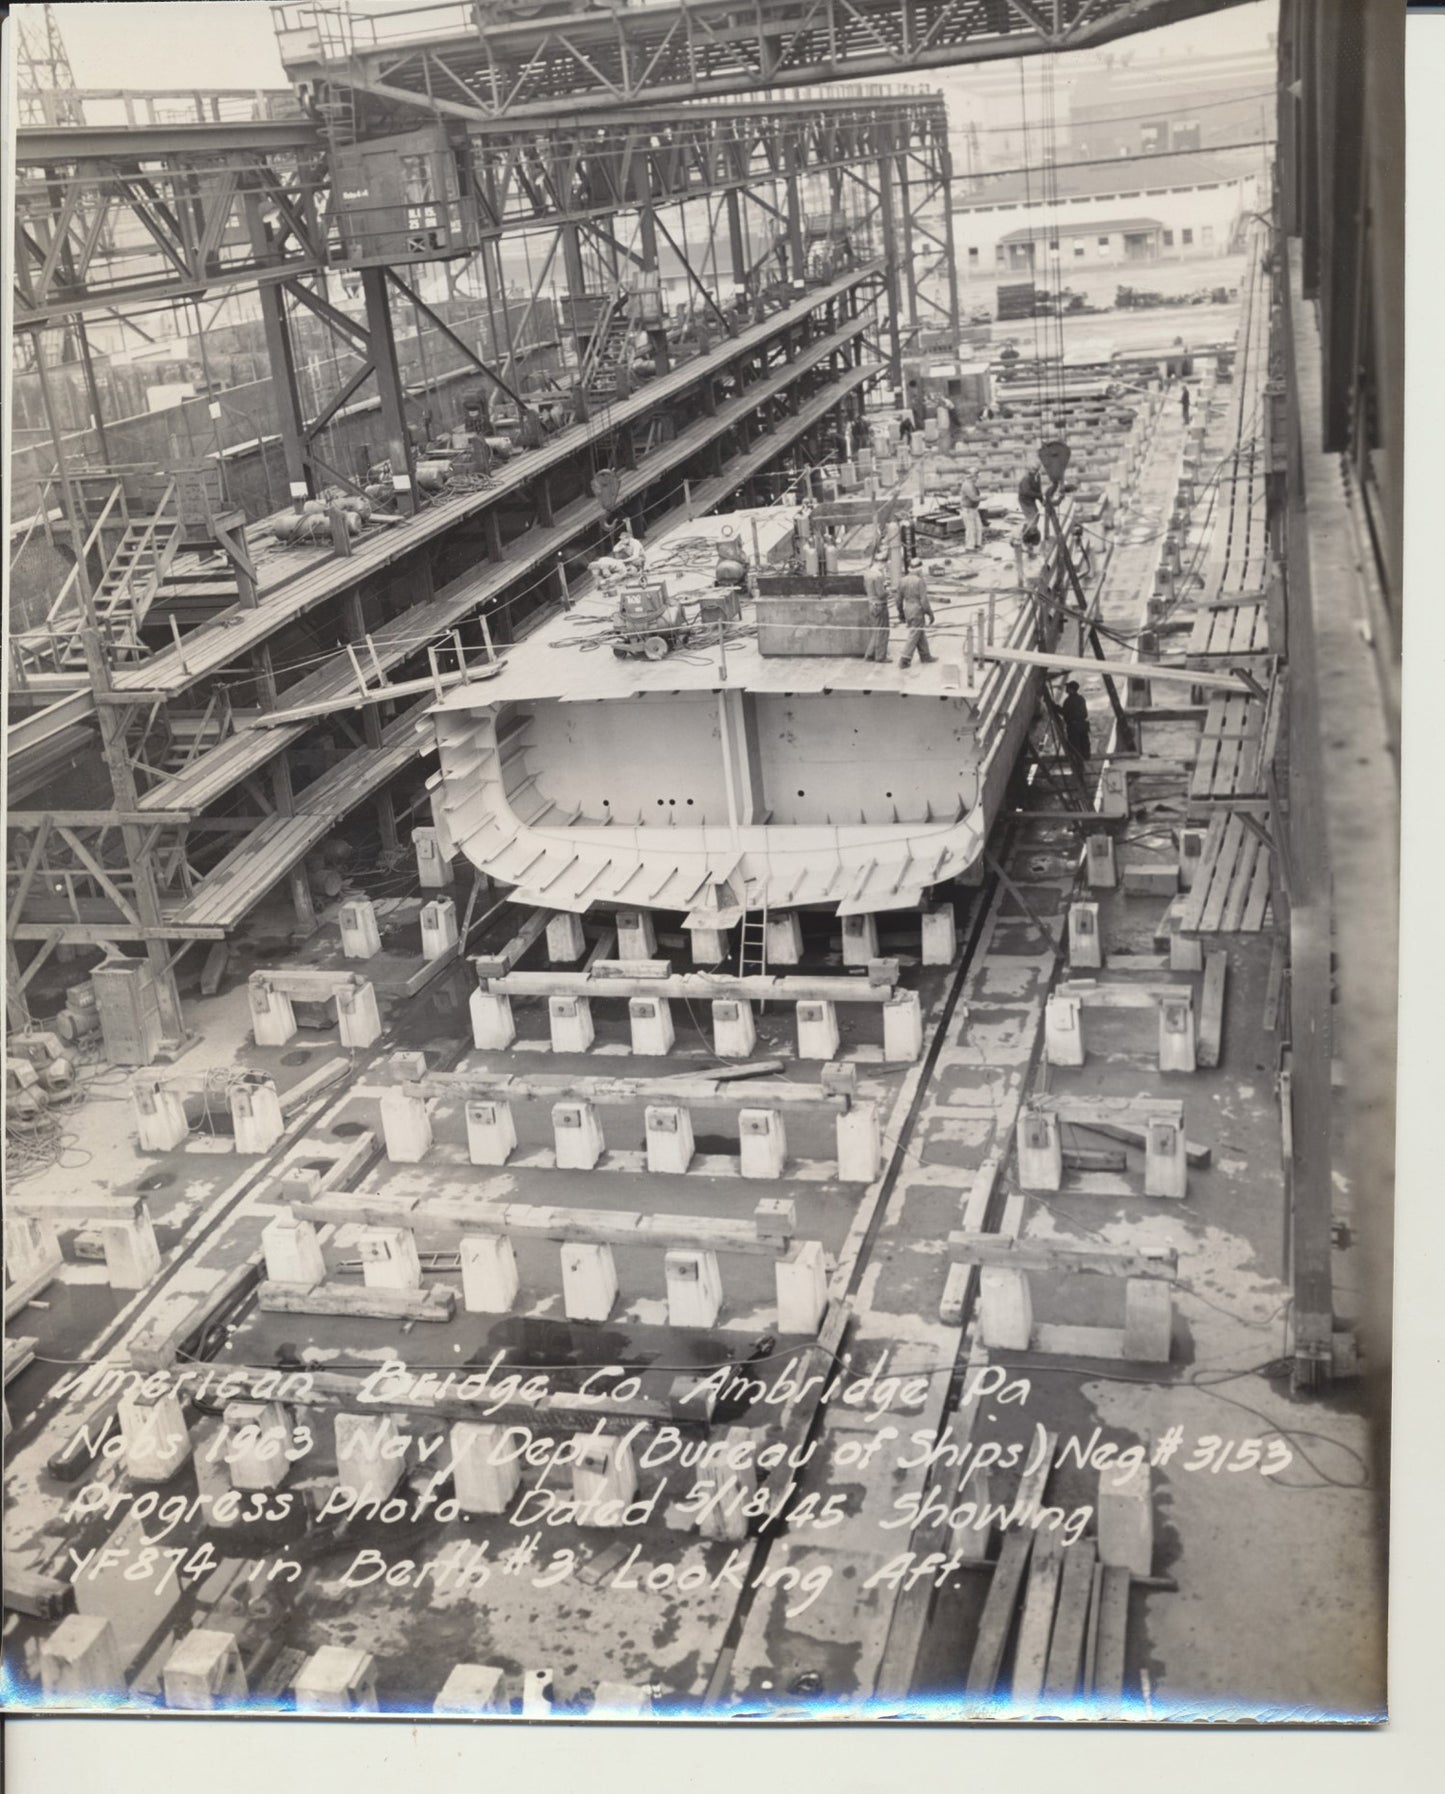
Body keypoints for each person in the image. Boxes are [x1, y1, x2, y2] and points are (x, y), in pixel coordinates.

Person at [897, 568, 936, 667]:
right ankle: (904, 659)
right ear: (919, 571)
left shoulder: (902, 580)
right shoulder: (919, 581)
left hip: (908, 610)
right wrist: (930, 613)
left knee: (919, 631)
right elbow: (924, 601)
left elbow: (898, 599)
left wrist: (901, 613)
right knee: (915, 633)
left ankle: (925, 655)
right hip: (917, 610)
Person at [862, 555, 891, 662]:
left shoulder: (867, 573)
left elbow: (867, 588)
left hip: (872, 604)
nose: (885, 567)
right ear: (881, 563)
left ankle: (869, 654)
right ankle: (880, 657)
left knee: (876, 631)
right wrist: (888, 591)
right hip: (880, 605)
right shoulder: (878, 576)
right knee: (883, 631)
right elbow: (881, 594)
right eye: (885, 564)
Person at [1061, 679, 1091, 763]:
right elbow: (1085, 714)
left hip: (1073, 728)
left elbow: (1064, 712)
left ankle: (1079, 765)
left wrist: (1054, 707)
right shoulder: (1081, 699)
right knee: (1084, 745)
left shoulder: (1069, 700)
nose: (1066, 689)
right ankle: (1084, 761)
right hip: (1082, 726)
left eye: (1068, 687)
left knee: (1075, 747)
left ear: (1071, 689)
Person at [959, 469, 983, 551]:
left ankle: (977, 545)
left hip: (974, 509)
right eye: (976, 477)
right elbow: (974, 498)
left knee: (978, 527)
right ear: (972, 477)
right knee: (970, 529)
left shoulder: (972, 484)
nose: (977, 479)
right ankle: (969, 547)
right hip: (968, 510)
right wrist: (986, 497)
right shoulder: (967, 485)